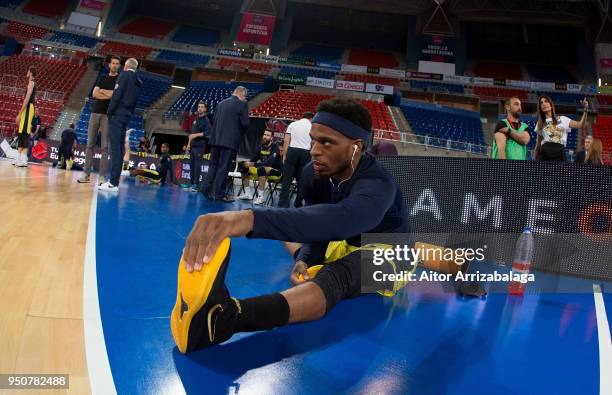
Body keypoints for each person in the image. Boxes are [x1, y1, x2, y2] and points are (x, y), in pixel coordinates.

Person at [171, 98, 412, 353]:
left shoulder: (378, 183)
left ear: (356, 147)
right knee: (291, 236)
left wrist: (247, 218)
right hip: (343, 243)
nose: (314, 150)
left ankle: (224, 320)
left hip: (388, 252)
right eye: (314, 140)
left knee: (339, 275)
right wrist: (306, 259)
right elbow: (320, 230)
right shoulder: (312, 173)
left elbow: (342, 220)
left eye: (327, 143)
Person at [99, 58, 142, 192]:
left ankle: (113, 183)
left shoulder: (124, 75)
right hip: (127, 115)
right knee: (120, 148)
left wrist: (109, 111)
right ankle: (114, 182)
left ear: (126, 66)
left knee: (115, 149)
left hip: (118, 115)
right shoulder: (138, 80)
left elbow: (117, 95)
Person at [202, 86, 250, 202]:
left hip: (216, 140)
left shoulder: (221, 103)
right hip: (229, 142)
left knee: (213, 166)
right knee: (224, 167)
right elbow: (245, 124)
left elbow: (214, 120)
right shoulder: (242, 104)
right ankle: (218, 194)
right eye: (244, 97)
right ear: (242, 95)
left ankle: (206, 189)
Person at [78, 55, 120, 184]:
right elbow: (94, 94)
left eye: (117, 63)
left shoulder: (119, 80)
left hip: (108, 115)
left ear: (119, 66)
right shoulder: (102, 77)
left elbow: (115, 96)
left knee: (105, 148)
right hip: (95, 113)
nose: (114, 65)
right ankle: (86, 174)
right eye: (113, 63)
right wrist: (108, 94)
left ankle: (101, 177)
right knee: (90, 144)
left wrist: (103, 92)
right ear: (109, 65)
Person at [535, 95, 588, 162]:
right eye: (541, 103)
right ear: (540, 108)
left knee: (559, 172)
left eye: (546, 101)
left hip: (559, 151)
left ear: (551, 105)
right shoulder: (540, 123)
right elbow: (538, 144)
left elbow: (581, 125)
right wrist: (535, 157)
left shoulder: (563, 119)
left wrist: (585, 110)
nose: (543, 104)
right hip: (545, 152)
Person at [236, 129, 282, 204]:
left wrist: (253, 164)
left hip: (276, 172)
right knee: (243, 166)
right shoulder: (260, 147)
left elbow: (269, 163)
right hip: (263, 170)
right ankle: (248, 194)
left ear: (271, 138)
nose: (265, 137)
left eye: (268, 135)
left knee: (261, 169)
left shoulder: (275, 147)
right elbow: (253, 160)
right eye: (264, 135)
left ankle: (261, 197)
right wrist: (246, 163)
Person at [278, 112, 313, 208]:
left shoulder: (293, 124)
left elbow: (286, 141)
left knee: (287, 179)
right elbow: (313, 143)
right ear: (310, 118)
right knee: (302, 180)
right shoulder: (312, 126)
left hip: (292, 151)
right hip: (306, 152)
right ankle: (298, 203)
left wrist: (285, 155)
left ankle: (283, 203)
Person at [13, 66, 36, 167]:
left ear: (30, 72)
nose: (26, 72)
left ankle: (23, 160)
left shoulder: (31, 83)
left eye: (28, 71)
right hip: (27, 108)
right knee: (21, 132)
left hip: (28, 108)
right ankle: (18, 158)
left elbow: (27, 99)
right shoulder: (30, 83)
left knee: (25, 133)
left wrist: (19, 113)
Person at [188, 101, 211, 192]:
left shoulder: (206, 120)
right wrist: (189, 144)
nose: (200, 108)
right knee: (192, 166)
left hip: (199, 147)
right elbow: (191, 134)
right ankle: (192, 183)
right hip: (192, 146)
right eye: (199, 107)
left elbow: (208, 133)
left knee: (197, 166)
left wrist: (196, 135)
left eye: (202, 107)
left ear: (205, 109)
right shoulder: (195, 119)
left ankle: (196, 185)